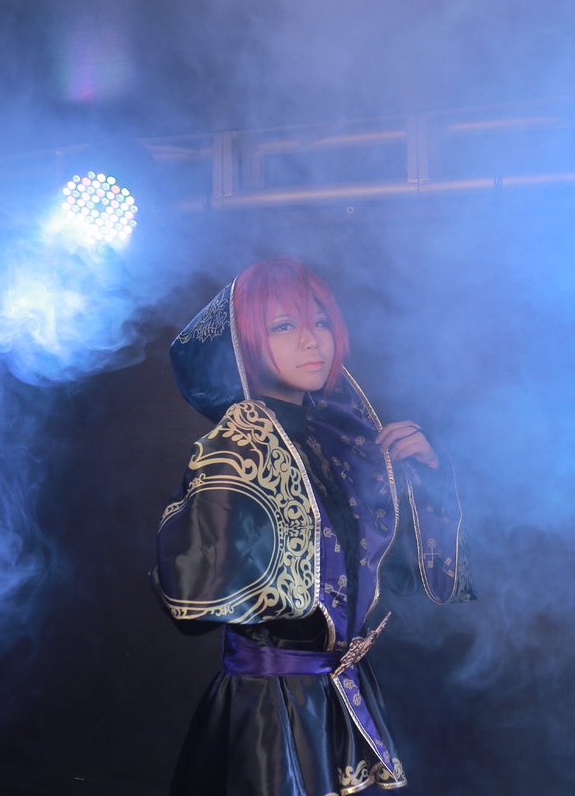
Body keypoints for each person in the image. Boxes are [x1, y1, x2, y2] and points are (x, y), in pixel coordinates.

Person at [152, 257, 475, 796]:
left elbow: (399, 577)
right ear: (244, 342)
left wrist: (427, 477)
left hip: (347, 695)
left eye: (320, 321)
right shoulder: (238, 445)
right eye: (284, 326)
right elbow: (193, 602)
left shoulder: (346, 443)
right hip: (268, 709)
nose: (311, 340)